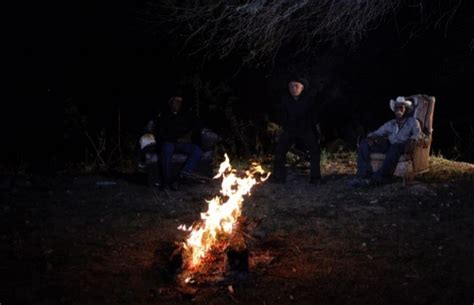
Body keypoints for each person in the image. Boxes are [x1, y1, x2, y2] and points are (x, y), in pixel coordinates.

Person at [350, 96, 422, 186]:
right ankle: (362, 176)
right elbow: (376, 132)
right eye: (396, 107)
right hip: (390, 146)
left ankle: (375, 179)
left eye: (401, 107)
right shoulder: (390, 124)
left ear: (405, 109)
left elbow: (418, 134)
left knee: (395, 146)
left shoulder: (413, 122)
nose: (398, 109)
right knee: (364, 143)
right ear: (394, 109)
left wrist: (412, 140)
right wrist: (371, 138)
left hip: (402, 146)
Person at [271, 77, 323, 185]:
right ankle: (279, 177)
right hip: (290, 129)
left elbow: (314, 117)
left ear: (302, 87)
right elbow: (282, 116)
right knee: (280, 150)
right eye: (291, 86)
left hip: (306, 128)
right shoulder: (285, 100)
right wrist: (281, 130)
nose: (293, 88)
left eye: (296, 86)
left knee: (314, 151)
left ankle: (315, 178)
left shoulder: (309, 99)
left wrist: (318, 132)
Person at [157, 96, 203, 190]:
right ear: (171, 103)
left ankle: (182, 176)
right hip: (169, 143)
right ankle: (167, 181)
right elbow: (160, 134)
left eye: (180, 102)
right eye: (176, 102)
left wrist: (190, 133)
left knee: (196, 150)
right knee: (166, 150)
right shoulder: (164, 116)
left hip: (182, 144)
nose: (178, 104)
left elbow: (198, 124)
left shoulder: (185, 115)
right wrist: (175, 139)